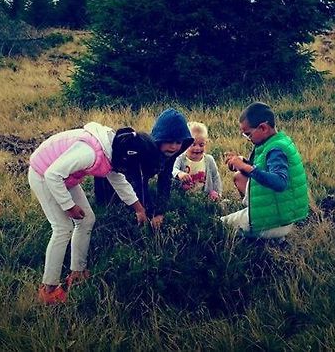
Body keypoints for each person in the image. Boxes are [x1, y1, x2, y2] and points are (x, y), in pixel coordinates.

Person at [28, 121, 153, 305]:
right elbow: (52, 175)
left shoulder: (112, 151)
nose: (127, 171)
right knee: (62, 228)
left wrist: (139, 209)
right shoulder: (90, 153)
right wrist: (69, 206)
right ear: (124, 158)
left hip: (64, 178)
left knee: (87, 220)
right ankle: (49, 288)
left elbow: (119, 181)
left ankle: (77, 272)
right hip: (43, 174)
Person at [221, 102, 309, 240]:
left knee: (219, 225)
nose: (248, 139)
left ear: (263, 128)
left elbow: (280, 182)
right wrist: (242, 163)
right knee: (239, 176)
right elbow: (262, 170)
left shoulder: (276, 149)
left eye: (248, 134)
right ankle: (271, 233)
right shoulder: (277, 141)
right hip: (283, 214)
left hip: (277, 220)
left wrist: (246, 167)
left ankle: (267, 235)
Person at [94, 108, 193, 228]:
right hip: (109, 172)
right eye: (169, 141)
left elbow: (165, 180)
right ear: (159, 139)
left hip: (129, 179)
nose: (173, 146)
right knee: (106, 209)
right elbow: (138, 183)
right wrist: (146, 210)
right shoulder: (144, 151)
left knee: (139, 211)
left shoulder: (169, 154)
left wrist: (160, 212)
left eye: (178, 142)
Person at [173, 122, 222, 200]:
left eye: (201, 145)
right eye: (193, 144)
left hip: (204, 198)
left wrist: (217, 193)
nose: (197, 148)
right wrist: (179, 173)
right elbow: (173, 170)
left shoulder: (209, 160)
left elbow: (215, 177)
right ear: (185, 143)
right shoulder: (180, 158)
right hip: (183, 198)